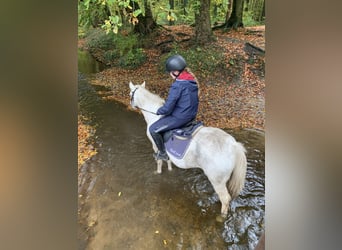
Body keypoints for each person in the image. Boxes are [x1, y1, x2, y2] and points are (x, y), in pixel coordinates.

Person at [149, 54, 199, 161]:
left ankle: (163, 154)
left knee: (152, 129)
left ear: (176, 72)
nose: (170, 75)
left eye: (170, 73)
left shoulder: (178, 85)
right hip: (192, 115)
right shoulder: (192, 80)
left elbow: (167, 109)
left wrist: (159, 111)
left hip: (181, 117)